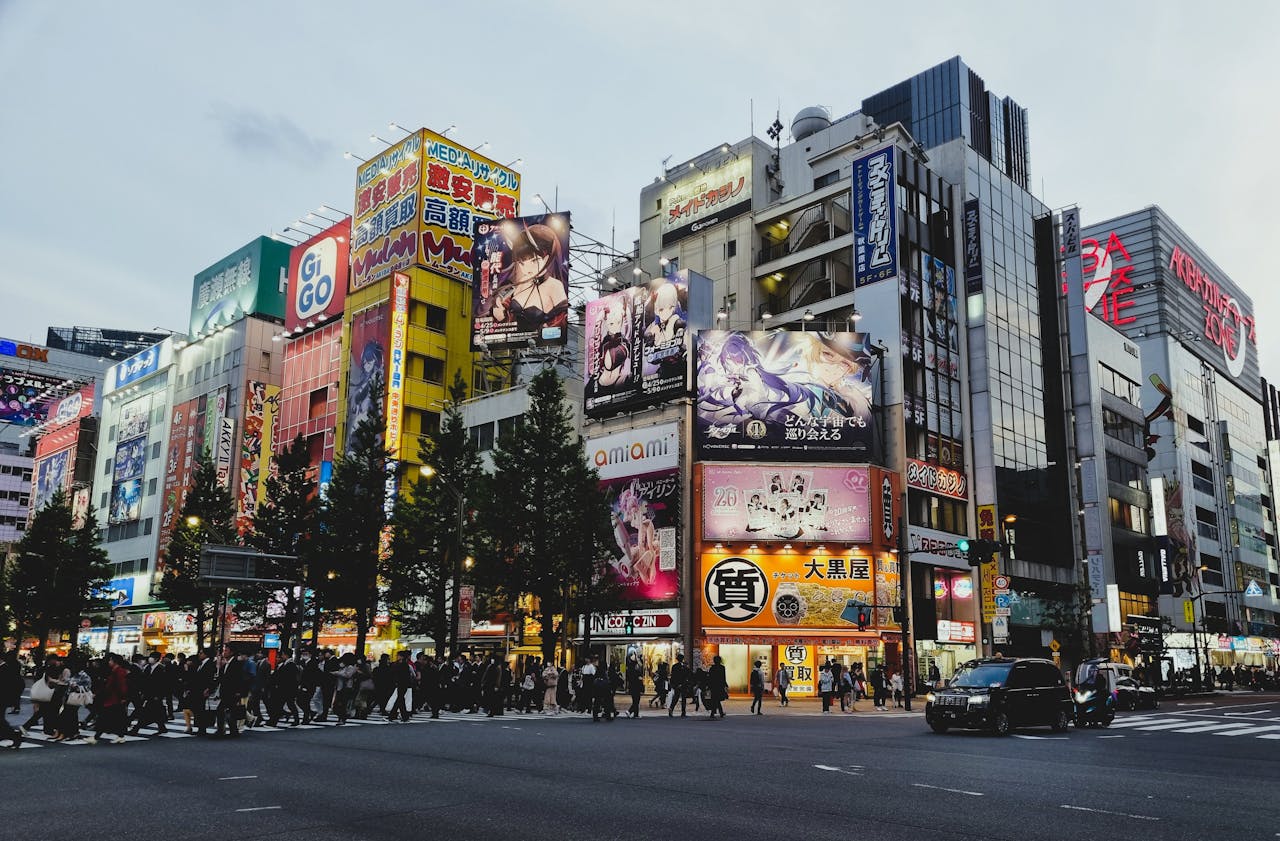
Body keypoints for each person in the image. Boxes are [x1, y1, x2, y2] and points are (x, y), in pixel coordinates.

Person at [486, 220, 570, 335]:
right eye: (521, 262)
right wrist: (499, 313)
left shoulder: (554, 286)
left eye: (534, 260)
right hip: (512, 344)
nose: (527, 268)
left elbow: (561, 324)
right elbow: (499, 308)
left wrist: (546, 330)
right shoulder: (518, 283)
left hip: (541, 347)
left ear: (547, 258)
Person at [86, 654, 130, 745]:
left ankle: (95, 737)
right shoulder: (116, 671)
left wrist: (122, 697)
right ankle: (120, 736)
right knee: (116, 718)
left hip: (114, 698)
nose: (109, 662)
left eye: (110, 660)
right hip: (113, 698)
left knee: (104, 717)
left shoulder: (119, 671)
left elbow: (122, 685)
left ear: (115, 662)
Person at [388, 650, 415, 723]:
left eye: (398, 655)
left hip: (402, 684)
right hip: (402, 684)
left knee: (400, 699)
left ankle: (393, 716)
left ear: (402, 657)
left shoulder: (403, 665)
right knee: (400, 700)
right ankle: (401, 716)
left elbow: (402, 675)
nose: (397, 657)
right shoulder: (402, 664)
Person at [625, 654, 644, 719]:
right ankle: (630, 711)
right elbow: (638, 678)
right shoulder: (635, 670)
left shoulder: (630, 669)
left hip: (632, 686)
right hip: (636, 686)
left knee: (635, 700)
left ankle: (635, 714)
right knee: (636, 700)